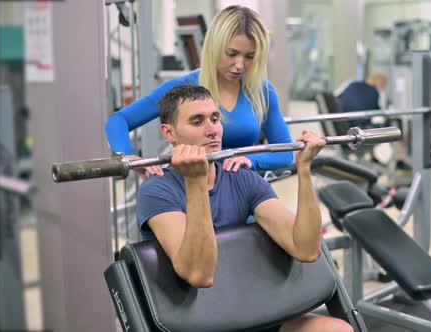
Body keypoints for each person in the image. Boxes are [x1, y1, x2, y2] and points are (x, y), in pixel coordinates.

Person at [136, 84, 354, 332]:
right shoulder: (157, 191)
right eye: (197, 122)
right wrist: (196, 181)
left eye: (215, 119)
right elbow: (200, 274)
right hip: (198, 321)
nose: (212, 130)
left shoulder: (240, 177)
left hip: (251, 309)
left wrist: (304, 169)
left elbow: (305, 249)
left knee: (338, 330)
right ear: (169, 132)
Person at [105, 5, 293, 179]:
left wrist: (250, 161)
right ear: (214, 47)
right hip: (193, 187)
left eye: (249, 57)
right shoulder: (184, 87)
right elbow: (118, 120)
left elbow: (286, 153)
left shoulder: (262, 91)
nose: (239, 65)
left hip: (241, 189)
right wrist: (129, 157)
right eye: (232, 53)